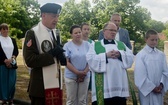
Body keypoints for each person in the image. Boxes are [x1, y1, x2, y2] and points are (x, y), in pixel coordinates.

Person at [23, 3, 66, 105]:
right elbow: (30, 60)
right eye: (53, 16)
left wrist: (62, 57)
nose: (56, 20)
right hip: (40, 88)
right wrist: (51, 54)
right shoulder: (32, 33)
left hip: (55, 84)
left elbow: (56, 55)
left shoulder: (54, 33)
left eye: (57, 16)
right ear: (43, 15)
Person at [86, 22, 134, 105]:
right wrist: (105, 56)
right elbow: (90, 59)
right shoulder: (95, 45)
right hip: (103, 87)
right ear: (104, 31)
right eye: (111, 30)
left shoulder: (121, 45)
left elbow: (131, 57)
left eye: (115, 31)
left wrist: (120, 54)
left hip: (119, 84)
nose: (113, 32)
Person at [134, 29, 168, 105]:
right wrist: (152, 88)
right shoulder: (141, 55)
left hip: (159, 89)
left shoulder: (161, 55)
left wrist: (162, 84)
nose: (155, 42)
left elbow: (165, 71)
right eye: (152, 40)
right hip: (147, 91)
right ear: (146, 39)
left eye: (156, 40)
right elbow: (140, 74)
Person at [63, 25, 90, 105]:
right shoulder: (67, 46)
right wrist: (77, 73)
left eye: (79, 32)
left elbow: (91, 60)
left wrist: (83, 73)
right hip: (71, 77)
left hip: (85, 76)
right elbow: (66, 62)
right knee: (71, 100)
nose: (78, 34)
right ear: (71, 34)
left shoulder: (88, 45)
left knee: (82, 100)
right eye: (75, 33)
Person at [0, 23, 19, 105]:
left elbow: (16, 51)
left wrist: (11, 59)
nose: (5, 30)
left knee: (12, 81)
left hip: (12, 63)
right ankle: (4, 99)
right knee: (3, 82)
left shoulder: (12, 40)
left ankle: (11, 98)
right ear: (0, 30)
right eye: (3, 29)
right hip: (2, 63)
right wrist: (5, 61)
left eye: (7, 29)